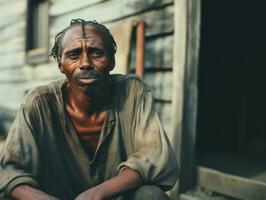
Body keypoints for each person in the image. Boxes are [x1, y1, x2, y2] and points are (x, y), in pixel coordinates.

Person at [0, 19, 178, 200]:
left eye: (96, 53)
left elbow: (155, 156)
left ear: (112, 61)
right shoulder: (39, 103)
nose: (85, 63)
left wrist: (97, 193)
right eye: (74, 55)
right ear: (60, 64)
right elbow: (8, 171)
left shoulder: (132, 92)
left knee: (151, 195)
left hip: (115, 197)